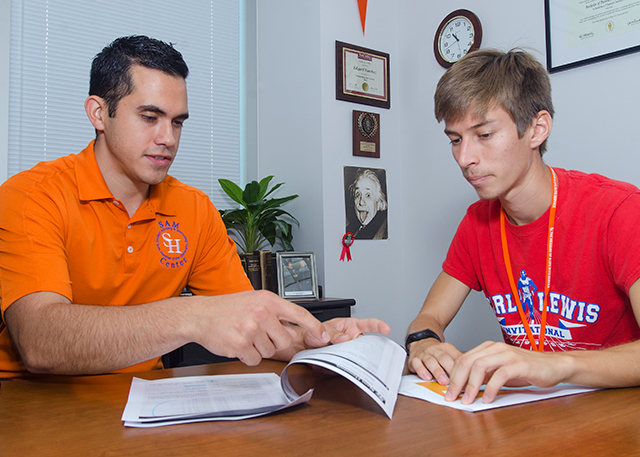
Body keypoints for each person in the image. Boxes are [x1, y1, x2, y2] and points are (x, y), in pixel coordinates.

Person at [0, 35, 389, 378]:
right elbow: (39, 342)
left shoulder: (194, 209)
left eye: (178, 122)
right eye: (150, 117)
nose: (167, 138)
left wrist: (319, 339)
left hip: (142, 401)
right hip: (30, 404)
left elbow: (252, 324)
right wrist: (189, 317)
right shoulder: (32, 196)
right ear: (99, 113)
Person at [405, 48, 640, 405]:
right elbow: (430, 316)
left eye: (483, 135)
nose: (465, 158)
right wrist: (424, 342)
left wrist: (556, 365)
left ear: (536, 129)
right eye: (455, 139)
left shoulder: (620, 210)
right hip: (528, 417)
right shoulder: (477, 222)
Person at [346, 168, 388, 240]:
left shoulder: (384, 233)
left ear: (379, 203)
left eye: (368, 195)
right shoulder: (350, 231)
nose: (361, 202)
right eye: (358, 194)